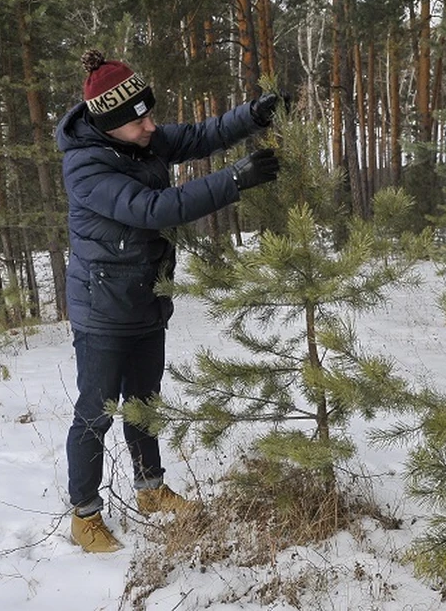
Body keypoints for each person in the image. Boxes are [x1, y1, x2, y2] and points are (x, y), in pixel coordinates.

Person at [55, 49, 283, 553]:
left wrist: (253, 115)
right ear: (111, 124)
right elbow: (156, 208)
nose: (152, 126)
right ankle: (84, 514)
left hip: (145, 297)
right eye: (140, 119)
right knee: (96, 410)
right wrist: (235, 180)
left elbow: (201, 136)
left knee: (144, 403)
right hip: (102, 308)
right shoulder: (86, 168)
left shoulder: (140, 138)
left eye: (150, 113)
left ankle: (150, 490)